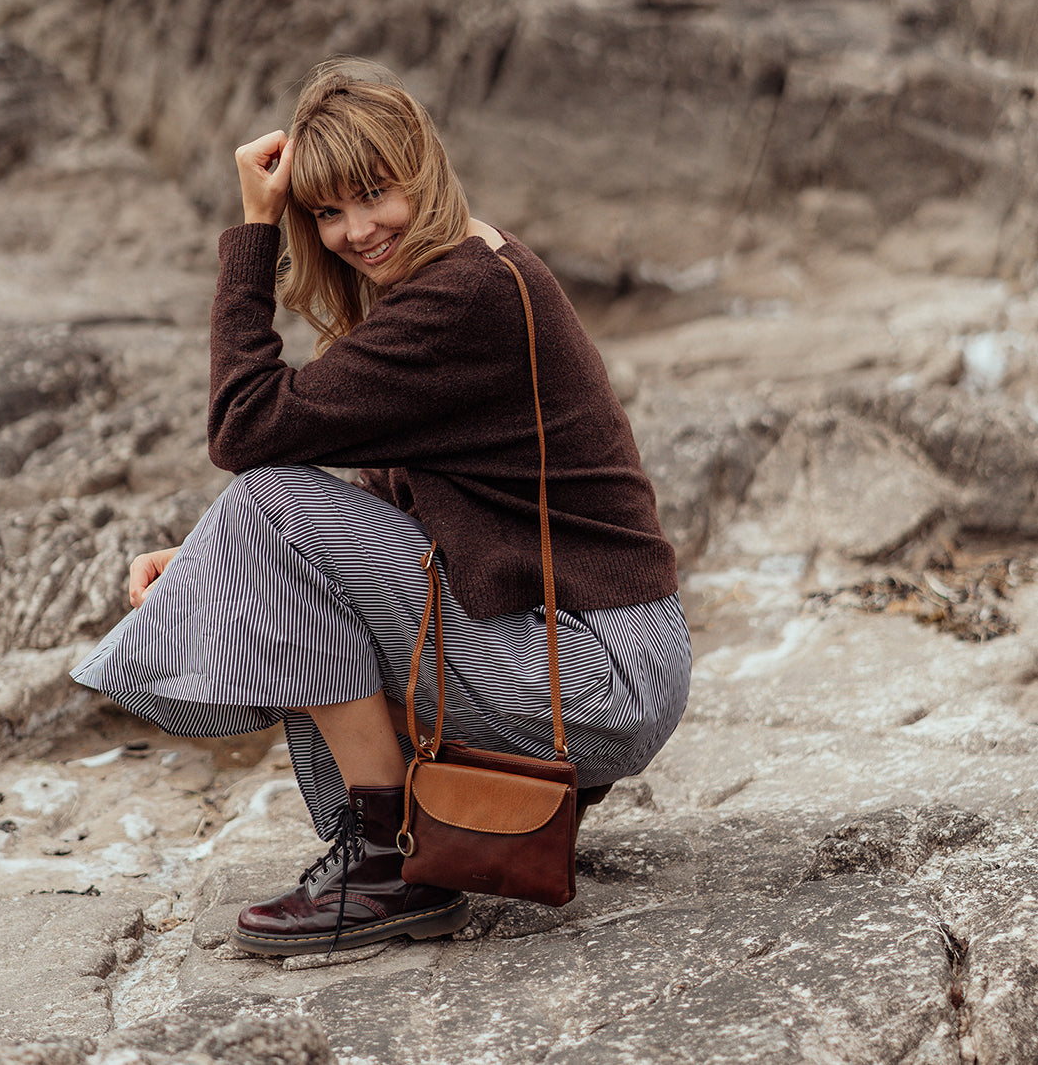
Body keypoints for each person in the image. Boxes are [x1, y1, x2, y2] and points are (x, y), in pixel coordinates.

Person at [72, 59, 690, 956]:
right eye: (324, 212)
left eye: (374, 195)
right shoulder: (469, 269)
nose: (355, 230)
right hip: (595, 649)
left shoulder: (467, 296)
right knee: (268, 519)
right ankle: (412, 845)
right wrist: (211, 553)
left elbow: (246, 429)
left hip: (601, 672)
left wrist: (254, 230)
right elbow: (391, 496)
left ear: (423, 172)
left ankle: (392, 866)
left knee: (268, 498)